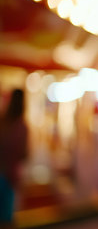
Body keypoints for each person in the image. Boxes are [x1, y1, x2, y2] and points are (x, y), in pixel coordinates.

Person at [0, 89, 28, 228]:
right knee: (7, 217)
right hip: (11, 176)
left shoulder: (3, 122)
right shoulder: (22, 127)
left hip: (3, 173)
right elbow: (25, 154)